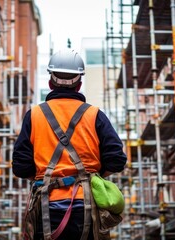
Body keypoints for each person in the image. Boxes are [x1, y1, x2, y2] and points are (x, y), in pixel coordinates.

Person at [12, 49, 126, 240]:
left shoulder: (34, 116)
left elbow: (21, 167)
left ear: (50, 83)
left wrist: (45, 177)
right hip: (87, 205)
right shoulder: (95, 115)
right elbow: (116, 159)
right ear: (79, 84)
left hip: (47, 205)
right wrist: (92, 176)